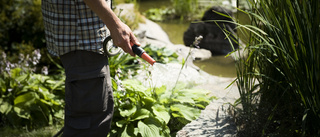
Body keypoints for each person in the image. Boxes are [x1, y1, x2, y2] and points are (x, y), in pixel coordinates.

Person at [41, 0, 140, 136]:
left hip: (79, 36)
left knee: (87, 117)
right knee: (89, 124)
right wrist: (114, 24)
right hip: (81, 38)